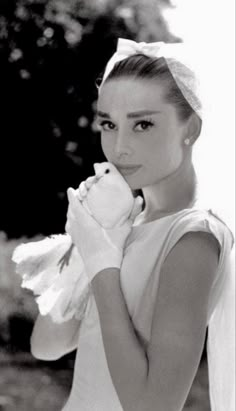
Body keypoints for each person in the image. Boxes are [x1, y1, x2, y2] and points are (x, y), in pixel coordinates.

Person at [30, 38, 235, 411]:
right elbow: (46, 346)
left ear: (191, 127)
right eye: (108, 124)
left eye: (142, 124)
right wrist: (84, 241)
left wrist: (101, 261)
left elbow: (152, 406)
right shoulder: (128, 221)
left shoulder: (194, 236)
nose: (119, 146)